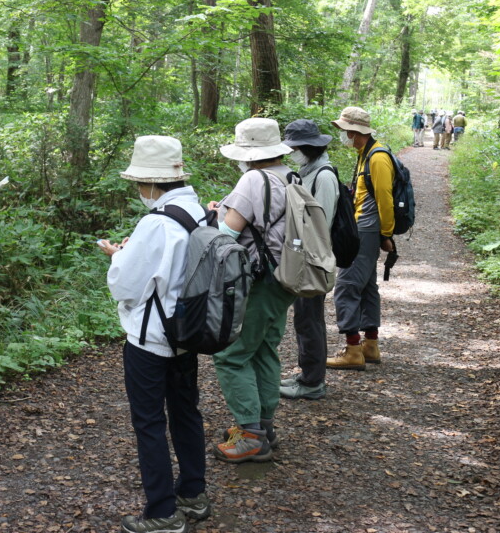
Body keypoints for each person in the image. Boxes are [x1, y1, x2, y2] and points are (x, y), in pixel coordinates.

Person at [101, 135, 211, 533]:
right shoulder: (197, 210)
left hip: (151, 340)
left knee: (148, 422)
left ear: (149, 182)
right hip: (187, 332)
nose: (138, 190)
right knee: (186, 412)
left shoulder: (156, 222)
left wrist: (118, 257)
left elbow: (126, 285)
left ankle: (163, 512)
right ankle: (193, 494)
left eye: (138, 183)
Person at [208, 118, 296, 463]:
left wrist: (213, 216)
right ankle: (263, 426)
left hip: (259, 280)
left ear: (248, 153)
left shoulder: (253, 179)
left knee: (231, 354)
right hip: (286, 276)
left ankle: (251, 437)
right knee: (263, 350)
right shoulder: (291, 176)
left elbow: (229, 235)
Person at [327, 106, 394, 370]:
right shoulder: (364, 154)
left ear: (355, 132)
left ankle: (353, 349)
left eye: (344, 131)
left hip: (367, 230)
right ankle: (370, 345)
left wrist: (386, 235)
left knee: (345, 286)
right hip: (364, 229)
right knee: (366, 286)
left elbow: (385, 200)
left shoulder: (377, 158)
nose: (343, 135)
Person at [278, 120, 339, 400]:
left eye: (295, 148)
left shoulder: (323, 176)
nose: (292, 153)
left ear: (308, 148)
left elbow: (320, 226)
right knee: (305, 319)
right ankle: (308, 375)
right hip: (306, 257)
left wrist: (305, 260)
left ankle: (313, 381)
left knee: (309, 319)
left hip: (312, 261)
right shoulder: (309, 170)